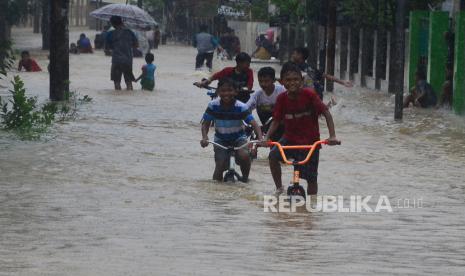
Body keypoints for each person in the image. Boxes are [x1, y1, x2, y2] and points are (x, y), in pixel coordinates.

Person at [265, 62, 340, 195]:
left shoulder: (309, 95)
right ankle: (279, 188)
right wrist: (265, 138)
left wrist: (332, 136)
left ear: (302, 81)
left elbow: (326, 113)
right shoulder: (281, 99)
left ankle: (311, 206)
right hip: (289, 140)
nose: (292, 83)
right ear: (282, 82)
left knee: (311, 179)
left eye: (295, 79)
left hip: (310, 142)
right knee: (273, 156)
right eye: (288, 80)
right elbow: (276, 121)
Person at [200, 78, 263, 182]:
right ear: (218, 92)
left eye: (229, 90)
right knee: (220, 164)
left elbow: (254, 124)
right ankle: (214, 190)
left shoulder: (241, 107)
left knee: (244, 156)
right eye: (223, 91)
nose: (226, 93)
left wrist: (260, 138)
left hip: (239, 138)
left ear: (235, 92)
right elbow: (205, 124)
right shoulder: (213, 106)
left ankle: (245, 179)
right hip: (221, 139)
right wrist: (205, 137)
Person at [246, 67, 286, 141]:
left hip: (282, 125)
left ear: (273, 80)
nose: (263, 84)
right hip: (265, 126)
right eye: (260, 81)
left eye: (266, 81)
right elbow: (245, 108)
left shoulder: (282, 91)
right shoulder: (257, 95)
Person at [106, 15, 139, 90]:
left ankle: (118, 100)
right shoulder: (130, 32)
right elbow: (136, 45)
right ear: (121, 22)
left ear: (112, 24)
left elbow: (107, 49)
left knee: (117, 83)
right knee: (129, 82)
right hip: (127, 61)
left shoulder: (110, 34)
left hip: (116, 61)